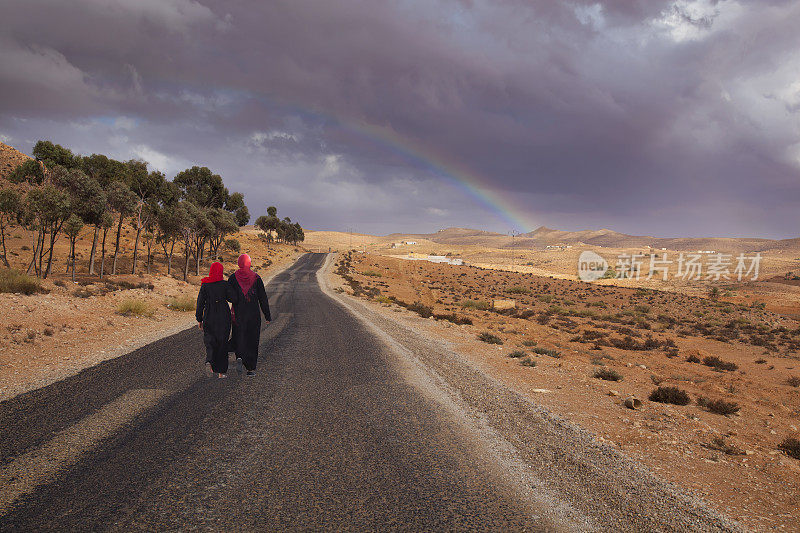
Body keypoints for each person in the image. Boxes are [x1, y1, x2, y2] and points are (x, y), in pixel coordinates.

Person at [228, 253, 271, 376]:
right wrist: (267, 315)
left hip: (238, 314)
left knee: (239, 336)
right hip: (253, 314)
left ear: (239, 263)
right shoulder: (256, 278)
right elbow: (263, 298)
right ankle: (251, 369)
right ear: (249, 263)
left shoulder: (232, 278)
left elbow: (230, 297)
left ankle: (240, 357)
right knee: (252, 339)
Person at [196, 261, 237, 378]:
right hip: (224, 317)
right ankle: (221, 372)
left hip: (209, 316)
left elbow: (200, 303)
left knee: (210, 340)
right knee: (222, 343)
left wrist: (199, 319)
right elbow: (233, 298)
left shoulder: (205, 285)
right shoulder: (224, 285)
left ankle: (209, 361)